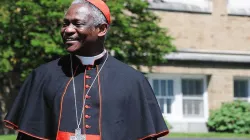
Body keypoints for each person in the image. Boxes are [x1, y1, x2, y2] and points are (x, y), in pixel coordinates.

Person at [4, 0, 169, 139]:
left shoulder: (133, 80)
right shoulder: (42, 76)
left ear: (102, 29)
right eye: (65, 23)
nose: (68, 30)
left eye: (77, 24)